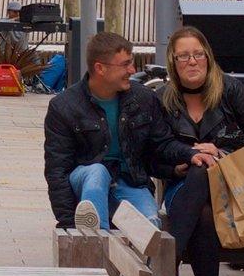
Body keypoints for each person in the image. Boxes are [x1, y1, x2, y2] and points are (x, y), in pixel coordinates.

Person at [149, 26, 244, 276]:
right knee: (201, 204)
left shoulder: (231, 90)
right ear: (173, 63)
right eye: (183, 56)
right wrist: (184, 161)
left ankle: (162, 271)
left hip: (233, 190)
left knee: (205, 174)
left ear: (208, 57)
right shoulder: (162, 99)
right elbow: (152, 158)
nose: (192, 61)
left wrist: (221, 156)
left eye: (198, 54)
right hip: (183, 189)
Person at [42, 31, 160, 232]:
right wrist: (68, 222)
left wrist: (186, 157)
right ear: (100, 68)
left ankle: (140, 262)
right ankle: (96, 236)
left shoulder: (143, 98)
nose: (132, 70)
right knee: (97, 172)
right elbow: (57, 170)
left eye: (132, 62)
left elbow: (161, 144)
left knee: (149, 226)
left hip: (129, 182)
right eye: (125, 64)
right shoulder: (64, 106)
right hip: (85, 180)